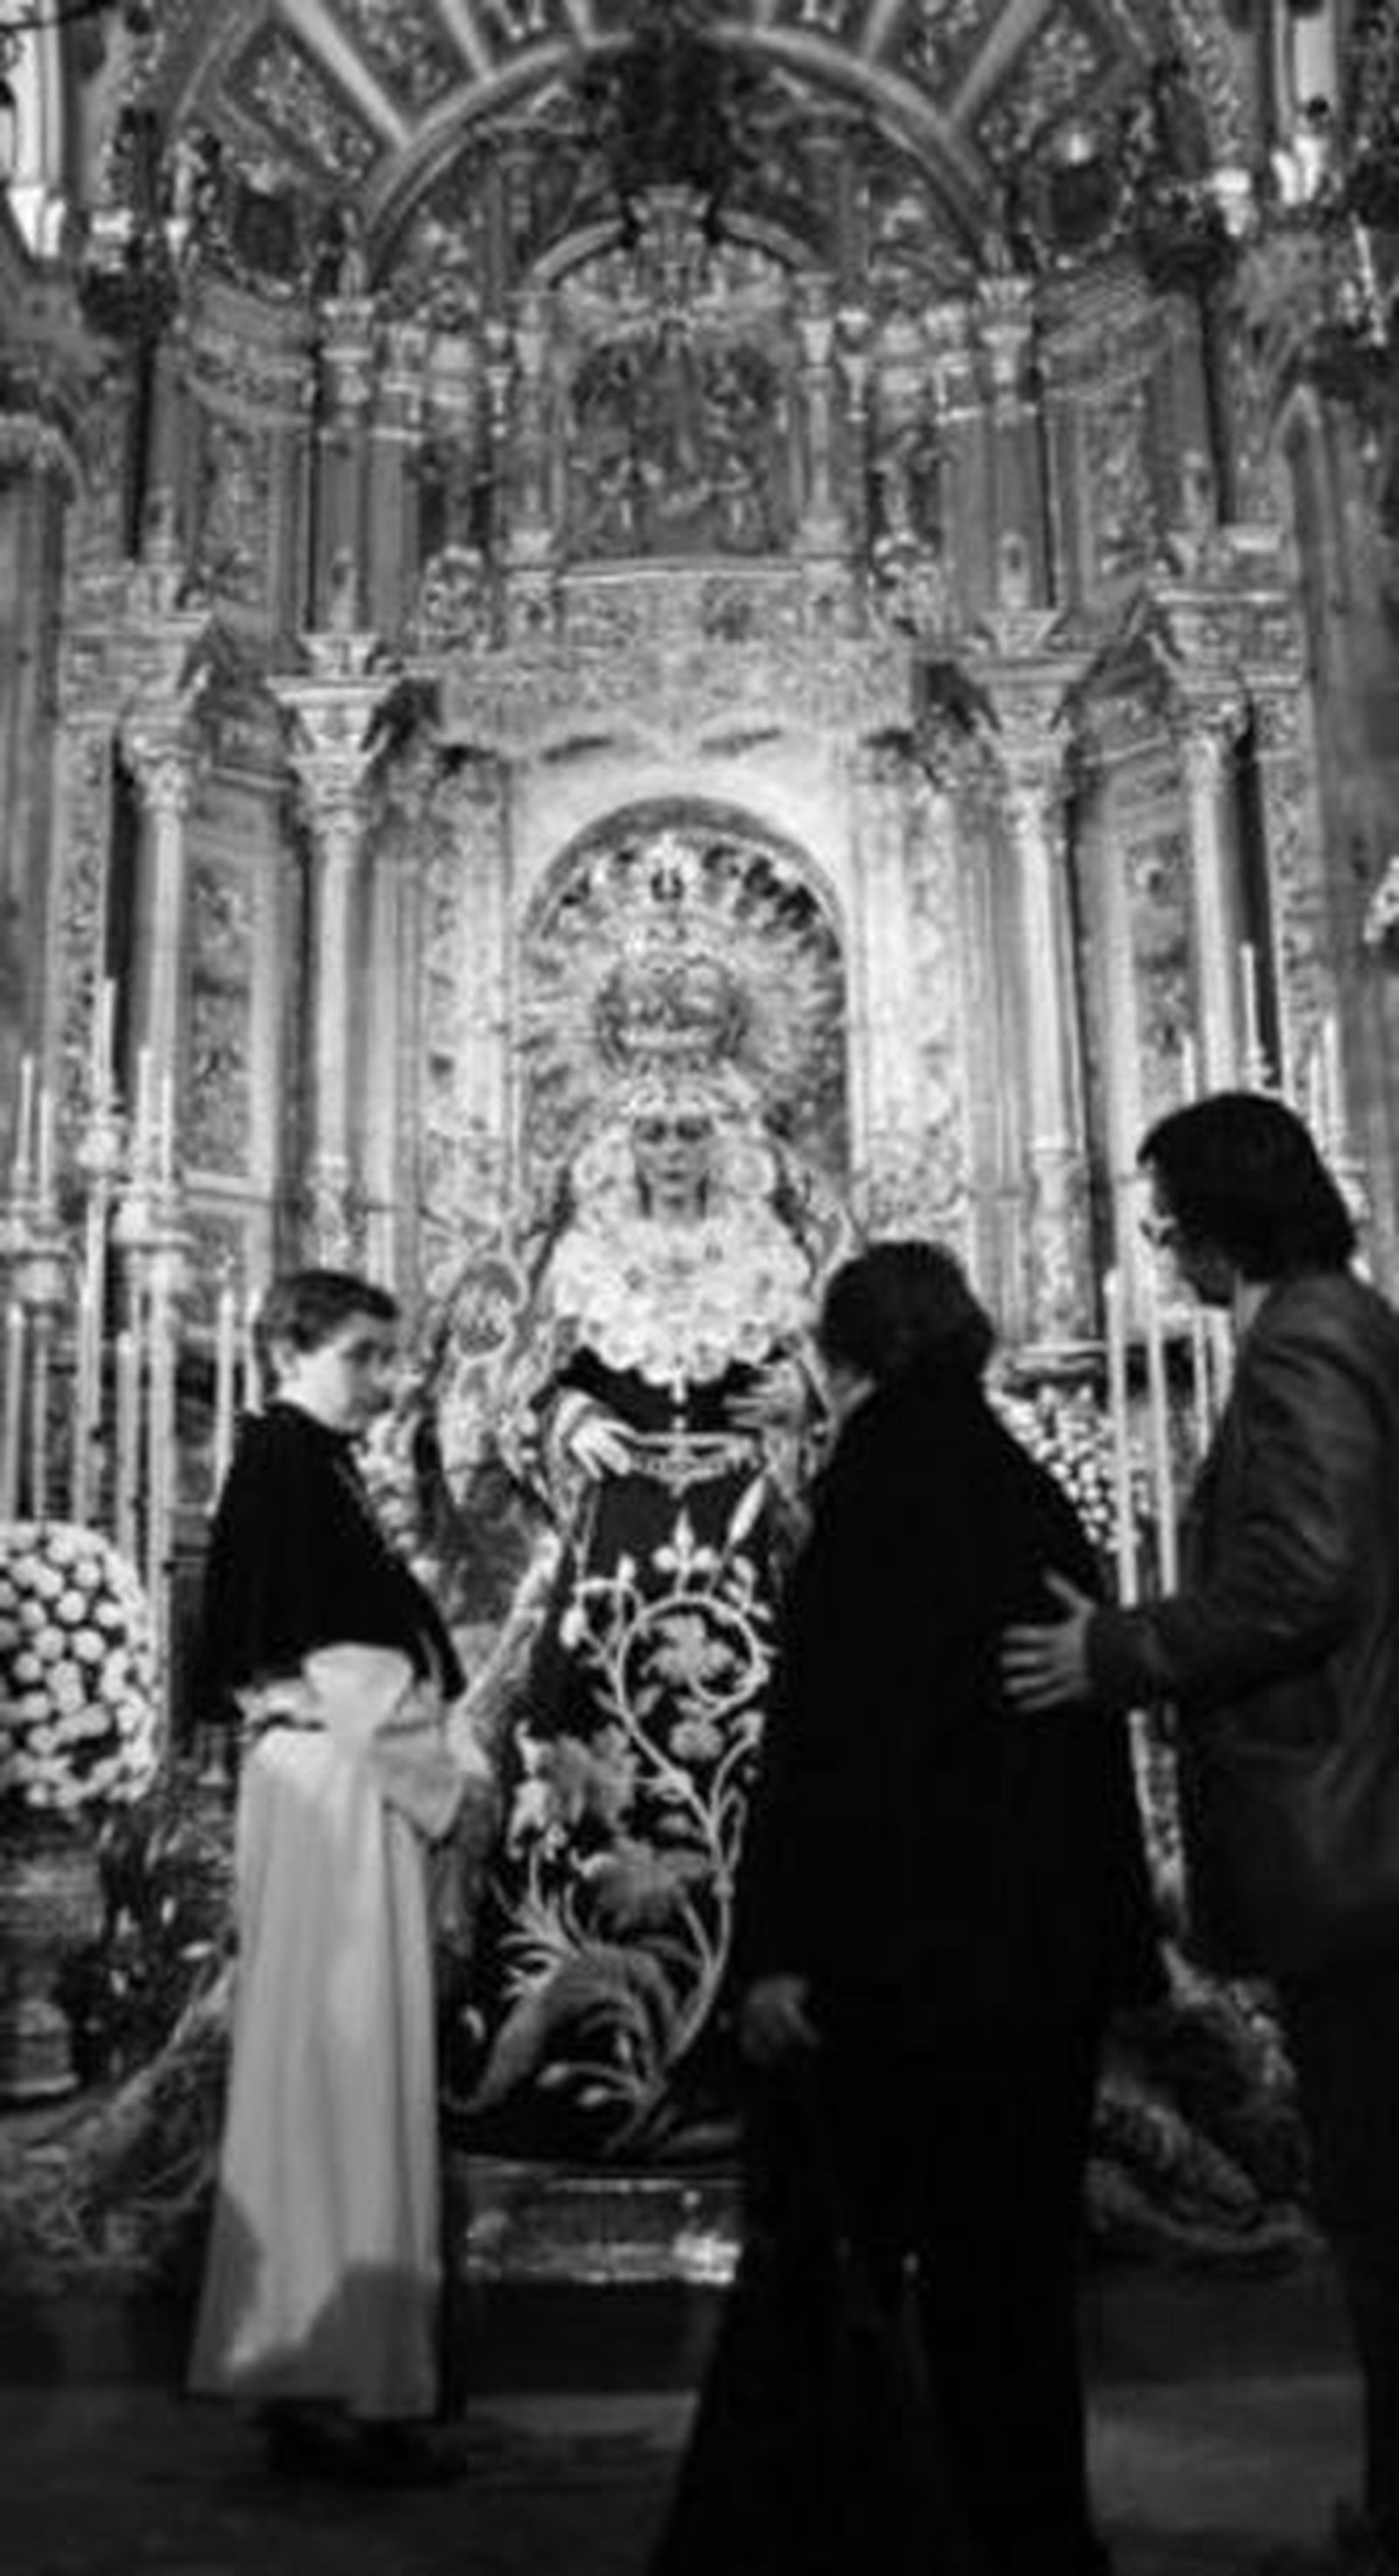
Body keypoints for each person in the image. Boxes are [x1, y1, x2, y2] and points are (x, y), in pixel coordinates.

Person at [652, 1239, 1161, 2576]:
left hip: (896, 1975)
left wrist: (778, 1959)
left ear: (840, 1358)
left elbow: (835, 1758)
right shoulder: (1028, 1488)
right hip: (1036, 1966)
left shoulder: (869, 1495)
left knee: (844, 2266)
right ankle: (1035, 2534)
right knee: (1016, 2285)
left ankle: (859, 2533)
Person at [1003, 1091, 1399, 2576]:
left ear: (1222, 1210)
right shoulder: (1339, 1322)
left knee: (1373, 2187)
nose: (1157, 1242)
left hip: (1348, 1827)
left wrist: (1118, 1651)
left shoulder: (1304, 1337)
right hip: (1360, 1812)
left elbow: (1304, 1576)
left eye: (1165, 1213)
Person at [452, 1070, 830, 2159]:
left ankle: (742, 2052)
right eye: (654, 1131)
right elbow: (515, 1383)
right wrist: (564, 1412)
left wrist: (801, 1391)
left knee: (752, 1755)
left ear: (723, 1145)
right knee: (585, 1760)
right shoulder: (581, 1252)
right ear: (627, 1147)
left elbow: (814, 1370)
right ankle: (583, 2058)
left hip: (738, 1527)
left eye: (689, 1131)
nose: (670, 1148)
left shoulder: (771, 1249)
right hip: (614, 1538)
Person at [188, 1268, 489, 2482]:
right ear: (290, 1346)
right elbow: (350, 1662)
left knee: (320, 2067)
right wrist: (459, 1781)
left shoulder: (302, 1466)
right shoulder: (289, 1467)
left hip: (328, 1781)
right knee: (349, 2067)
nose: (384, 1378)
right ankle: (353, 2382)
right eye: (364, 1353)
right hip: (337, 1782)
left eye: (388, 1355)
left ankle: (308, 2365)